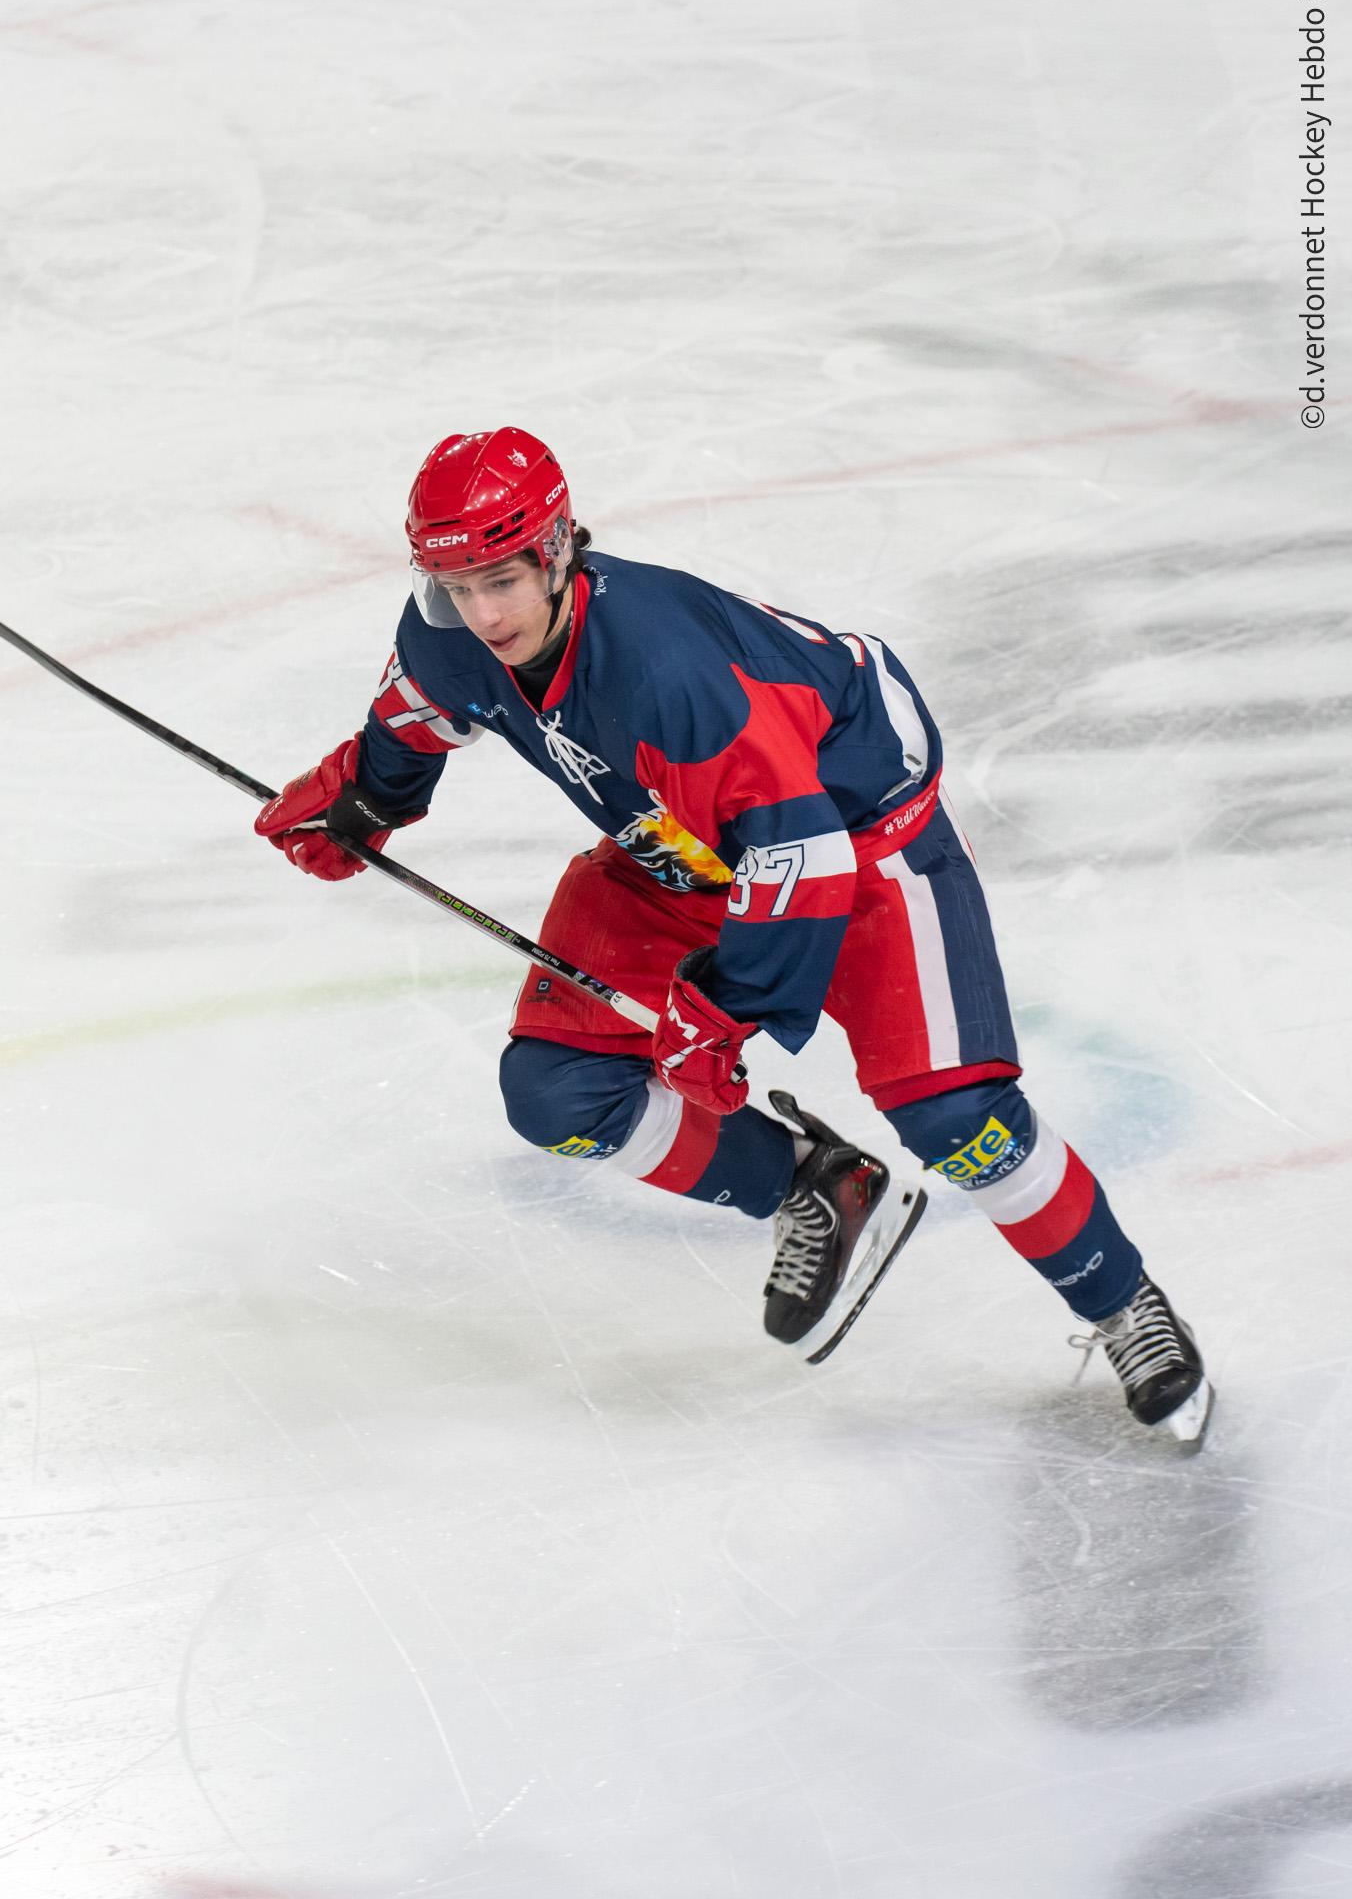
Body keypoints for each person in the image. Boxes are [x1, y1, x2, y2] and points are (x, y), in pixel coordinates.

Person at [256, 427, 1212, 1444]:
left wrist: (721, 1010)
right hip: (681, 845)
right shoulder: (451, 626)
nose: (483, 612)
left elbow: (800, 858)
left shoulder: (675, 673)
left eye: (503, 577)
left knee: (956, 1117)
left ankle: (1120, 1301)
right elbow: (421, 707)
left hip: (861, 849)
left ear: (558, 549)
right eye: (454, 582)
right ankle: (815, 1182)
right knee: (557, 1092)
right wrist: (366, 795)